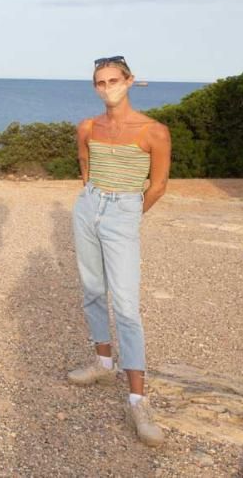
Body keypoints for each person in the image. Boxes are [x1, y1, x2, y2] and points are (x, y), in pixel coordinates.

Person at [67, 56, 171, 447]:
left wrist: (127, 215)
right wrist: (94, 201)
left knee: (126, 306)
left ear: (130, 81)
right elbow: (85, 162)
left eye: (114, 79)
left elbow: (158, 185)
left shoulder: (153, 131)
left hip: (125, 208)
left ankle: (138, 401)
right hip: (89, 206)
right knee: (93, 290)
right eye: (100, 82)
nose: (107, 86)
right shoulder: (89, 126)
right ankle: (103, 361)